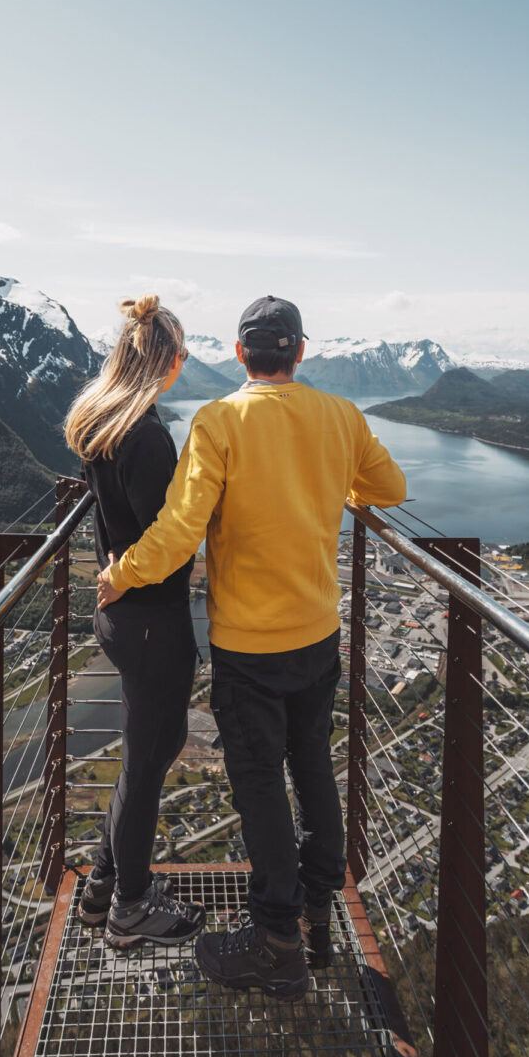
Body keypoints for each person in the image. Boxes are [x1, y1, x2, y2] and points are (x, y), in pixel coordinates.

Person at [97, 295, 407, 997]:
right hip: (317, 634)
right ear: (300, 351)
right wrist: (330, 481)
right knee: (313, 766)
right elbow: (388, 486)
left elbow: (178, 532)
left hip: (247, 648)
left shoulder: (219, 420)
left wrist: (122, 572)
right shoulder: (340, 416)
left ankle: (275, 942)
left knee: (262, 783)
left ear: (240, 354)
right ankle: (319, 912)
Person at [64, 294, 205, 949]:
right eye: (180, 356)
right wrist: (196, 562)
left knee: (141, 760)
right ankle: (129, 908)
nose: (183, 365)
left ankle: (102, 884)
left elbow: (124, 525)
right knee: (149, 763)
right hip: (151, 621)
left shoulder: (99, 421)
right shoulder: (146, 434)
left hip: (122, 618)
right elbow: (164, 541)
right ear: (165, 362)